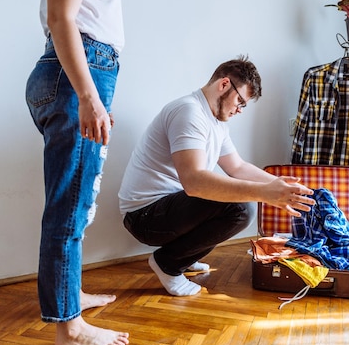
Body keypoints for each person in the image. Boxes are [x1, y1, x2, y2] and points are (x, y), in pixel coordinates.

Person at [118, 56, 316, 296]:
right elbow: (194, 182)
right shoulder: (189, 112)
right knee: (242, 209)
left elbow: (237, 167)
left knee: (237, 202)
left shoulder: (217, 122)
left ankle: (182, 255)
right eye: (240, 101)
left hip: (167, 208)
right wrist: (265, 193)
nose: (239, 110)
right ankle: (168, 264)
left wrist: (277, 183)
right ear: (224, 85)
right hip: (144, 217)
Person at [25, 0, 129, 345]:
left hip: (76, 76)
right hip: (76, 76)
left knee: (74, 200)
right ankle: (69, 329)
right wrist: (89, 96)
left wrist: (92, 97)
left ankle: (71, 294)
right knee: (70, 205)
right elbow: (61, 16)